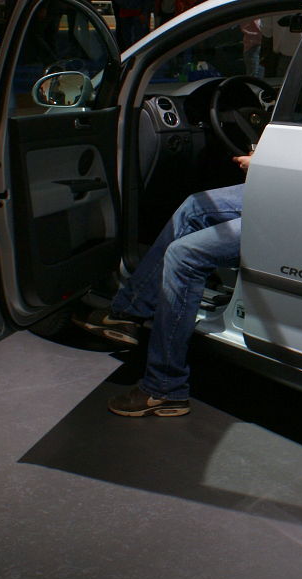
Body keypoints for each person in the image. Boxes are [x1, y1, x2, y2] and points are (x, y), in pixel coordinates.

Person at [74, 153, 254, 416]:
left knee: (184, 256)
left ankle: (165, 387)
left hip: (297, 209)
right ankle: (128, 313)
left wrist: (262, 164)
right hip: (280, 190)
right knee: (194, 206)